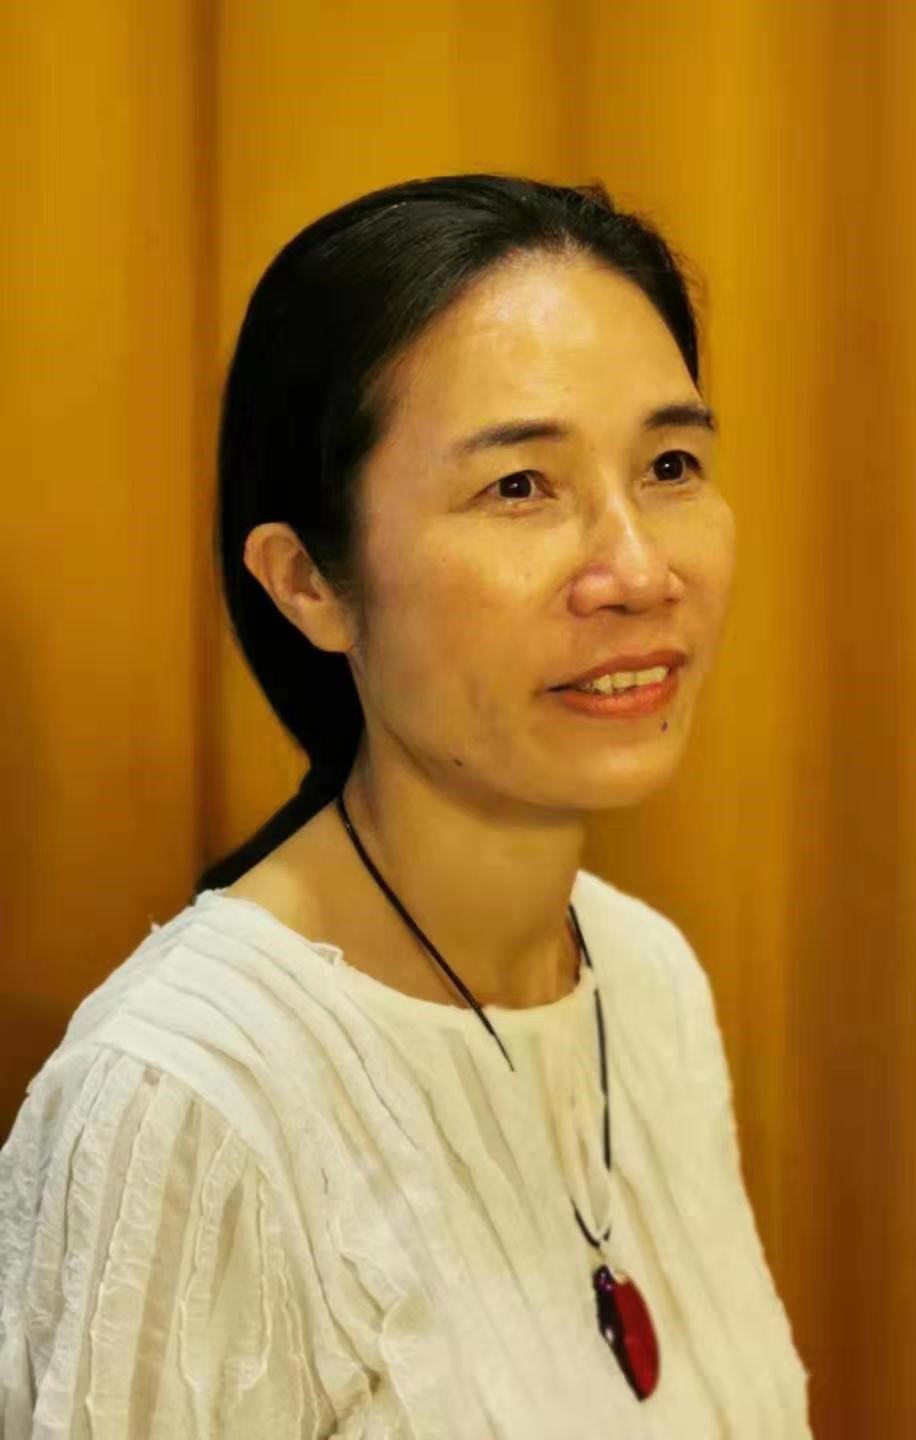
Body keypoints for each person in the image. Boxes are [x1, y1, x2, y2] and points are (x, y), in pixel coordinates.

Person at [0, 175, 811, 1437]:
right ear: (308, 582)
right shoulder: (188, 1106)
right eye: (521, 487)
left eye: (669, 465)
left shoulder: (646, 980)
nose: (639, 570)